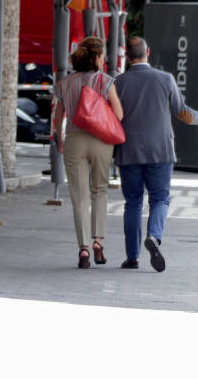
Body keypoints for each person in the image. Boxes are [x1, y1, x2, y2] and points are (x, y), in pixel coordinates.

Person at [114, 36, 198, 272]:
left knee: (132, 203)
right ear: (148, 52)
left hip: (129, 151)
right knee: (160, 199)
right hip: (161, 151)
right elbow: (182, 112)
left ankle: (132, 257)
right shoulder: (165, 79)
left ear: (127, 56)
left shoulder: (119, 83)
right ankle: (154, 236)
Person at [53, 37, 124, 269]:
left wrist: (60, 140)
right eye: (103, 55)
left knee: (79, 195)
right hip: (102, 141)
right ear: (97, 57)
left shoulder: (64, 83)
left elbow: (58, 117)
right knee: (99, 190)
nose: (105, 59)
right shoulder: (105, 81)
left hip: (74, 140)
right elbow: (119, 115)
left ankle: (83, 248)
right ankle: (97, 241)